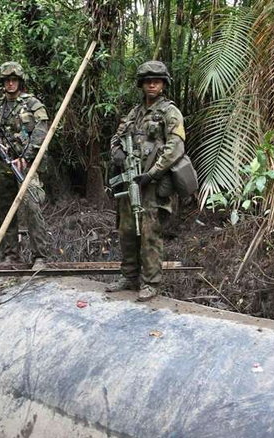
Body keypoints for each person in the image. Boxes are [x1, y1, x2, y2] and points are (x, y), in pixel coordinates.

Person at [107, 61, 186, 301]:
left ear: (163, 84)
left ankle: (150, 282)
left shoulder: (169, 112)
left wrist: (153, 173)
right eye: (148, 80)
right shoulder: (135, 113)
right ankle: (129, 275)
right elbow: (116, 139)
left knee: (150, 233)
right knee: (127, 230)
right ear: (141, 84)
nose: (152, 84)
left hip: (152, 184)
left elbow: (176, 146)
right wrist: (117, 153)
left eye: (157, 80)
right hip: (131, 181)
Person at [0, 61, 50, 269]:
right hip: (2, 165)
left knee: (31, 206)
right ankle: (11, 255)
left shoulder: (32, 104)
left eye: (14, 80)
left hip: (25, 163)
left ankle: (40, 256)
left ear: (20, 82)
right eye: (7, 80)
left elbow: (41, 131)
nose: (10, 84)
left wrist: (26, 156)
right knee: (3, 209)